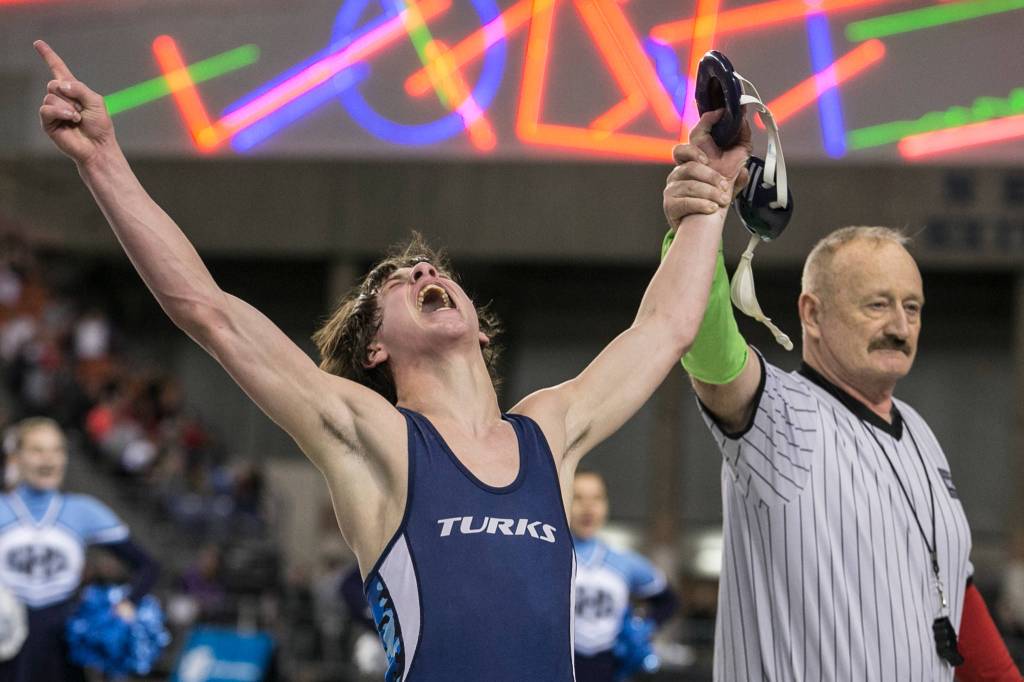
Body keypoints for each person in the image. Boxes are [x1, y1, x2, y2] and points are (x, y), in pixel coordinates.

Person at [31, 40, 745, 680]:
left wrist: (709, 201)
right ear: (375, 347)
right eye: (395, 283)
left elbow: (664, 329)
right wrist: (102, 160)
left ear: (481, 330)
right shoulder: (366, 432)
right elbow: (208, 311)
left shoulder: (548, 430)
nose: (421, 276)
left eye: (432, 272)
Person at [661, 136, 1024, 680]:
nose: (900, 327)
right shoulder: (782, 416)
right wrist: (701, 221)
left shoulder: (921, 433)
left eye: (912, 308)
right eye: (877, 305)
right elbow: (710, 350)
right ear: (811, 313)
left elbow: (953, 591)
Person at [0, 417, 159, 682]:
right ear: (16, 458)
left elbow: (148, 565)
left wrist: (128, 602)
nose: (48, 459)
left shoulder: (84, 510)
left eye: (57, 450)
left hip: (61, 647)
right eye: (37, 450)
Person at [571, 470, 677, 681]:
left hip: (608, 669)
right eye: (578, 498)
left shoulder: (625, 562)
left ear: (606, 505)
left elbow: (669, 601)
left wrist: (642, 627)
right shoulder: (550, 557)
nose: (588, 507)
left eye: (597, 498)